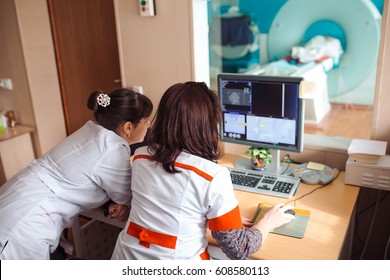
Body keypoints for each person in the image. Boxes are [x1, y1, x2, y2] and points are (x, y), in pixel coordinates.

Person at [111, 81, 294, 260]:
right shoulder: (212, 176)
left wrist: (221, 220)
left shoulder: (140, 157)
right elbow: (238, 248)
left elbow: (168, 210)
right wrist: (267, 222)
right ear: (206, 125)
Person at [0, 88, 153, 260]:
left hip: (17, 197)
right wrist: (119, 203)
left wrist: (115, 202)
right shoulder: (112, 149)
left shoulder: (93, 130)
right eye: (146, 121)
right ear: (128, 127)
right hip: (24, 222)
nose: (148, 126)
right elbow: (130, 196)